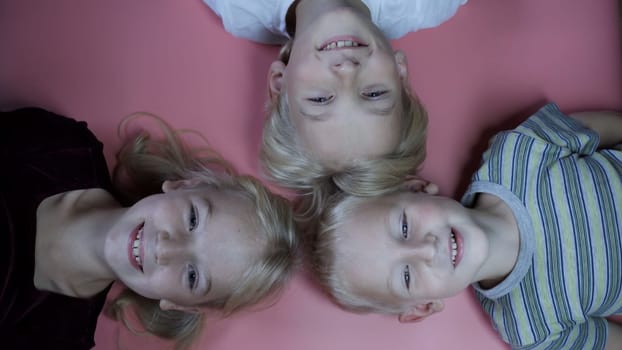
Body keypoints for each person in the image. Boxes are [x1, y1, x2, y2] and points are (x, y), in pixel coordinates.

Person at [309, 103, 622, 349]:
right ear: (423, 307)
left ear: (416, 189)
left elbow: (599, 129)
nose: (427, 249)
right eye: (406, 275)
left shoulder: (516, 154)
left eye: (404, 227)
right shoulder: (530, 328)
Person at [0, 108, 298, 349]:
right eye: (192, 219)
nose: (166, 248)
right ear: (184, 186)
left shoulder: (56, 336)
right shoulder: (63, 149)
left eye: (192, 276)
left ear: (180, 305)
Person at [204, 0, 467, 221]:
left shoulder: (238, 6)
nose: (347, 72)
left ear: (279, 84)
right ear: (399, 74)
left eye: (320, 99)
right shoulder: (427, 4)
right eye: (374, 94)